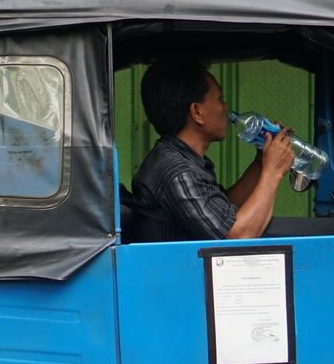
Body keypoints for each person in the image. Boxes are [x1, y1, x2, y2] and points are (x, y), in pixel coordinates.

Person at [126, 60, 294, 242]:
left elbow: (223, 214)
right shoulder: (178, 172)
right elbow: (237, 238)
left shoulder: (178, 158)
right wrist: (273, 173)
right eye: (220, 99)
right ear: (197, 112)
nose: (225, 107)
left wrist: (261, 164)